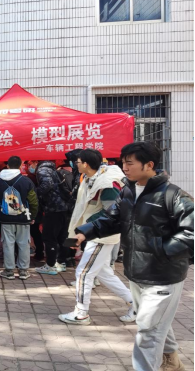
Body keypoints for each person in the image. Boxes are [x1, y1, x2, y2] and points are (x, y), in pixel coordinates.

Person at [74, 142, 193, 371]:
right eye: (123, 163)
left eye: (130, 163)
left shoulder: (173, 194)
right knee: (154, 322)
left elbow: (191, 232)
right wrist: (85, 232)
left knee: (148, 330)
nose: (125, 168)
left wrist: (160, 251)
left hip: (163, 275)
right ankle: (171, 361)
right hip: (136, 272)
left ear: (149, 165)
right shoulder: (127, 190)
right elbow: (112, 218)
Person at [58, 149, 135, 326]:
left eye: (77, 162)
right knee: (104, 273)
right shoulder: (90, 178)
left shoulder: (107, 183)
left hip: (101, 235)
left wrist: (86, 230)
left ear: (85, 164)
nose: (75, 165)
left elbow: (111, 213)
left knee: (83, 273)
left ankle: (81, 313)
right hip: (95, 232)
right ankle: (135, 304)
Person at [0, 156, 38, 280]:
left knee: (8, 244)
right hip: (23, 217)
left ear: (7, 166)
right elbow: (33, 201)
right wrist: (33, 215)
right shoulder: (26, 181)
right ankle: (23, 271)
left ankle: (9, 271)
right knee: (24, 243)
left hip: (6, 218)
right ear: (20, 166)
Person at [34, 159, 71, 275]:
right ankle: (61, 262)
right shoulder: (54, 170)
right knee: (62, 236)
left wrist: (35, 193)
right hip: (64, 207)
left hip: (53, 208)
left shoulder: (43, 170)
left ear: (35, 162)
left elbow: (47, 185)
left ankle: (50, 265)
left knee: (49, 237)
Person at [26, 160, 45, 261]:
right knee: (35, 231)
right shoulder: (39, 177)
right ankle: (39, 252)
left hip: (32, 208)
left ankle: (39, 252)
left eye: (29, 164)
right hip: (38, 207)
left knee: (34, 231)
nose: (28, 166)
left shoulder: (31, 178)